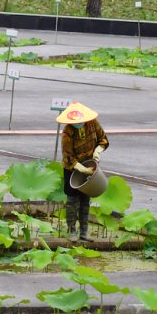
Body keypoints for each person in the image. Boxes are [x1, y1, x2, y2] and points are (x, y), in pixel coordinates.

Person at [57, 101, 108, 240]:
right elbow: (68, 157)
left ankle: (84, 232)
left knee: (85, 200)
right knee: (72, 201)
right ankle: (72, 230)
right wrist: (81, 169)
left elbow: (103, 140)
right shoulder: (67, 132)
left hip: (90, 164)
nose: (78, 123)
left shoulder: (92, 123)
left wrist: (97, 152)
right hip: (72, 168)